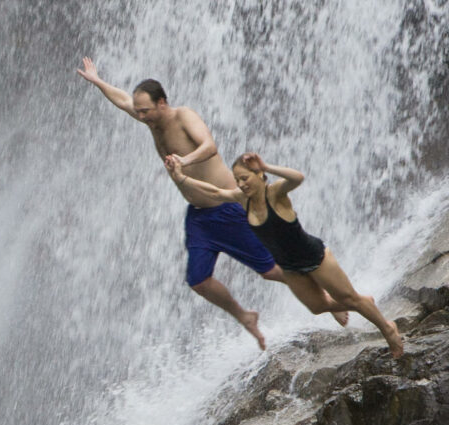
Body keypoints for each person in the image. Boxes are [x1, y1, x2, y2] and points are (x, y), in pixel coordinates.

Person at [75, 61, 332, 349]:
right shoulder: (151, 121)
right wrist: (98, 81)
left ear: (162, 103)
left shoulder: (184, 117)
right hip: (198, 216)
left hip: (227, 207)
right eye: (139, 112)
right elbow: (123, 100)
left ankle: (328, 296)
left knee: (271, 270)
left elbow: (209, 145)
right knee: (199, 281)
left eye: (145, 110)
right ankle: (246, 317)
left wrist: (184, 161)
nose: (141, 116)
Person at [167, 151, 405, 357]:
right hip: (289, 267)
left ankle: (387, 329)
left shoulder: (276, 193)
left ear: (259, 175)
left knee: (349, 298)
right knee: (318, 306)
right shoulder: (241, 199)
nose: (241, 184)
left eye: (245, 178)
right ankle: (364, 303)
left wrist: (267, 165)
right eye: (238, 179)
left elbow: (297, 177)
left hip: (315, 258)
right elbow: (216, 193)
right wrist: (182, 178)